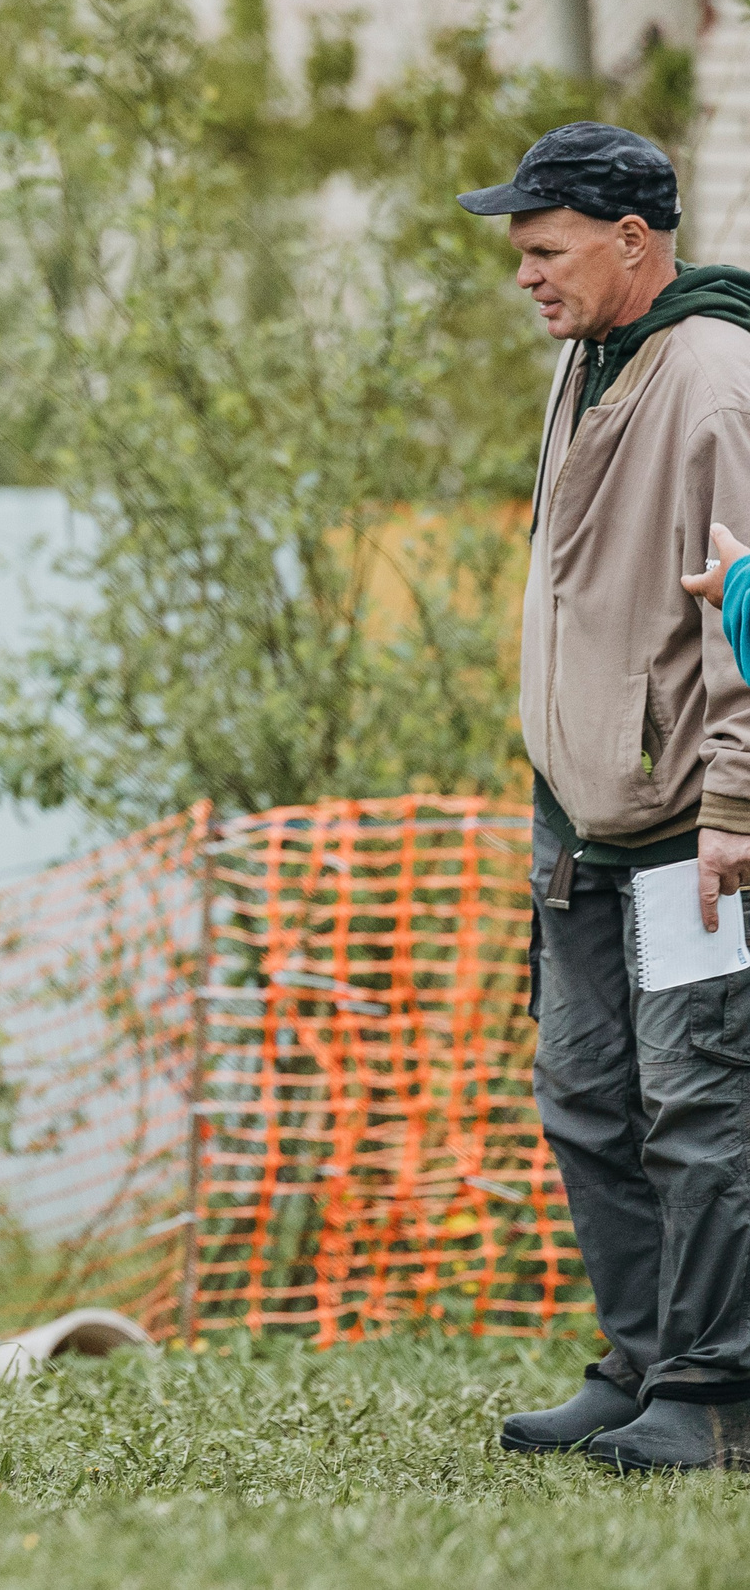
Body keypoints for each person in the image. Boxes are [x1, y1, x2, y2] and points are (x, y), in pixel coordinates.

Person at [462, 122, 750, 1471]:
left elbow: (749, 620)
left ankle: (716, 1388)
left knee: (700, 1107)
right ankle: (639, 1363)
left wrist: (739, 807)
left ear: (634, 240)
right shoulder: (590, 358)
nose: (524, 273)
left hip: (697, 822)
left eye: (545, 247)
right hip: (580, 816)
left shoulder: (716, 382)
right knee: (586, 1097)